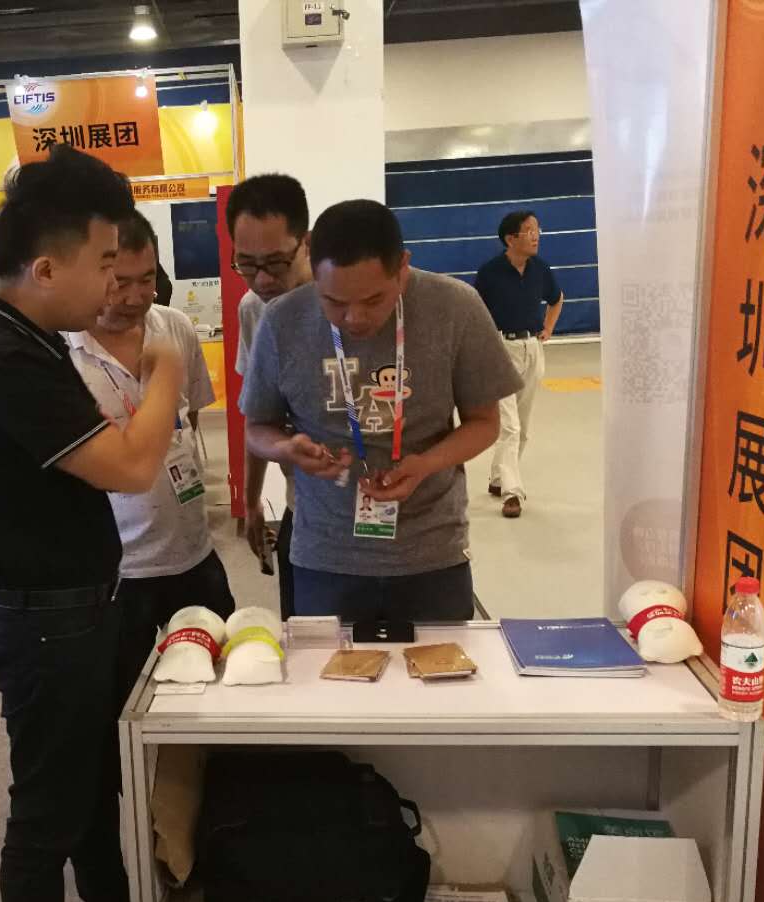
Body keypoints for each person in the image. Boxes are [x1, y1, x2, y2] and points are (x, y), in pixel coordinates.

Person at [0, 146, 186, 902]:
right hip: (47, 624)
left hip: (77, 609)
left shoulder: (28, 338)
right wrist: (166, 372)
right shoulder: (7, 357)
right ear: (46, 268)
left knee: (92, 806)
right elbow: (130, 464)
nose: (115, 285)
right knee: (46, 819)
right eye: (102, 264)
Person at [240, 199, 522, 624]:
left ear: (402, 268)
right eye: (334, 301)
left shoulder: (456, 308)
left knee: (440, 664)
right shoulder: (282, 320)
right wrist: (285, 448)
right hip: (325, 554)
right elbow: (257, 428)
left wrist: (426, 464)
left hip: (431, 551)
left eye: (373, 300)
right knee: (330, 667)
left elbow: (484, 423)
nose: (354, 318)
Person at [65, 210, 235, 711]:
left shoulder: (174, 327)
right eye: (120, 283)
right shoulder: (62, 351)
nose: (136, 296)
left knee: (217, 691)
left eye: (147, 279)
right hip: (118, 571)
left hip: (194, 555)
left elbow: (190, 420)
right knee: (121, 706)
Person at [226, 172, 313, 617]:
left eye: (276, 264)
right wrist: (252, 500)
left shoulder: (346, 299)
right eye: (246, 264)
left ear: (306, 244)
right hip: (304, 501)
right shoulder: (253, 308)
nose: (261, 280)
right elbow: (259, 413)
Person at [472, 210, 563, 519]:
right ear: (511, 239)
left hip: (532, 348)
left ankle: (499, 478)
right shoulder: (490, 272)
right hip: (501, 349)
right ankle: (513, 492)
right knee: (509, 426)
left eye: (537, 230)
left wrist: (548, 329)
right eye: (529, 231)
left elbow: (557, 298)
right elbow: (475, 312)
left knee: (522, 427)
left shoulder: (541, 269)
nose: (536, 236)